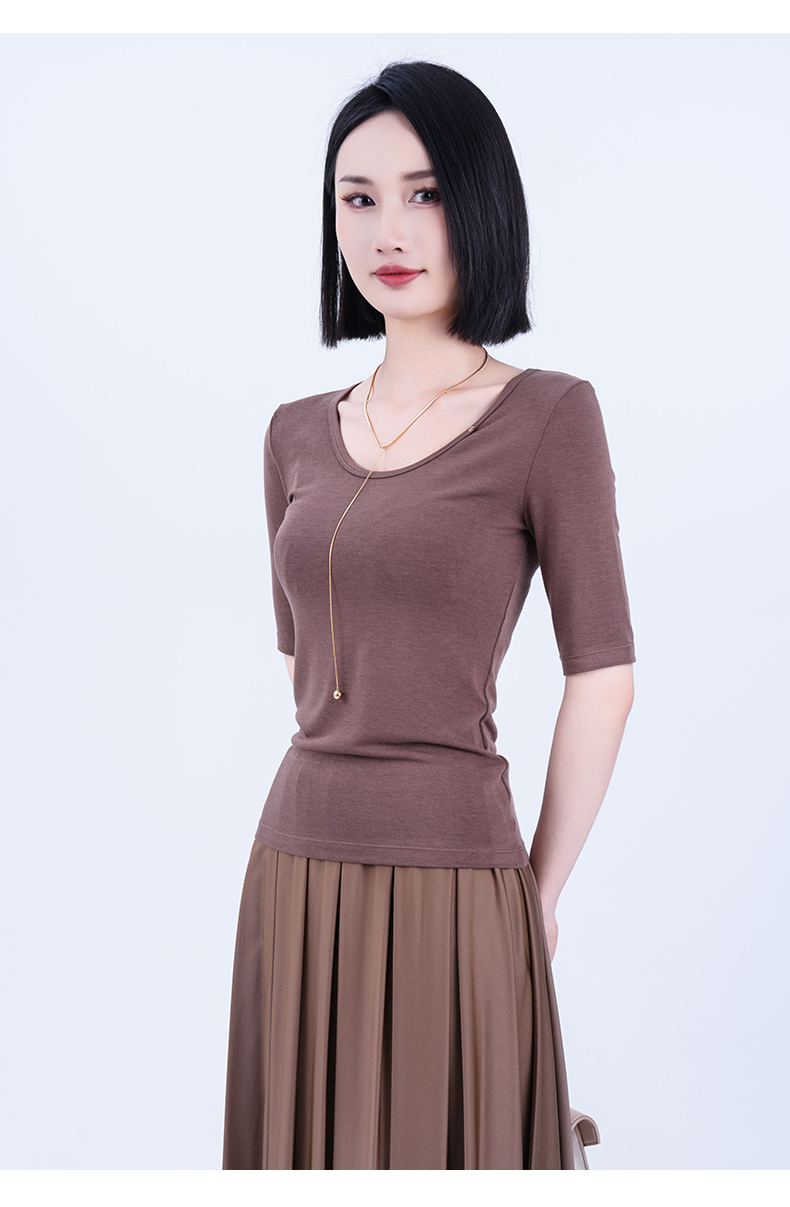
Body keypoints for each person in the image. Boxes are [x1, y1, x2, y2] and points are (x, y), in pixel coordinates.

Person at [222, 58, 635, 1171]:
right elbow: (305, 661)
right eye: (357, 198)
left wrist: (540, 887)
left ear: (482, 202)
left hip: (460, 868)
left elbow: (603, 672)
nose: (388, 230)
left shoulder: (549, 416)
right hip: (295, 866)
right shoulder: (292, 433)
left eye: (426, 192)